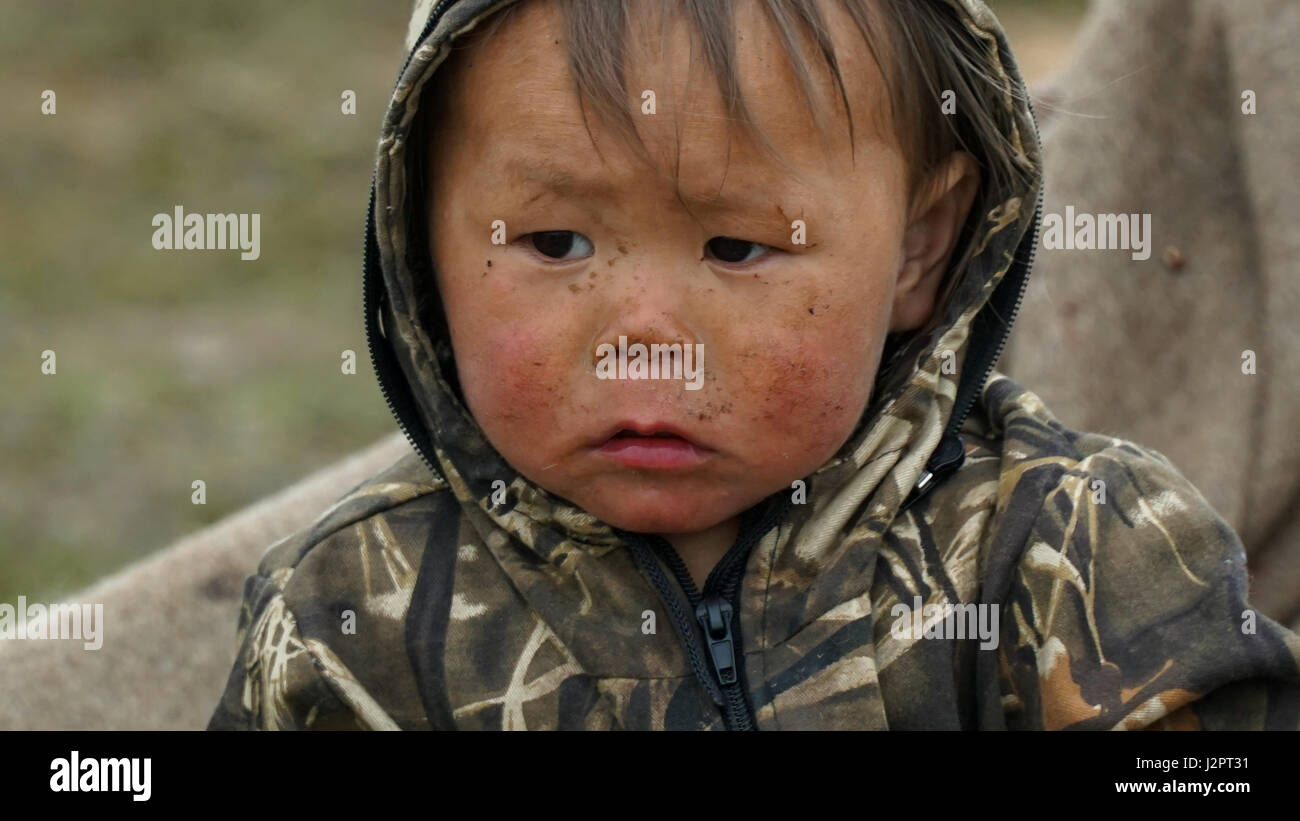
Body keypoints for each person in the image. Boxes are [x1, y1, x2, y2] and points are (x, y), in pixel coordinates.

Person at [207, 0, 1300, 730]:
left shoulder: (1076, 549)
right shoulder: (352, 610)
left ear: (920, 247)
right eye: (553, 244)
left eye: (737, 247)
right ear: (418, 241)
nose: (643, 333)